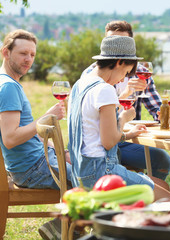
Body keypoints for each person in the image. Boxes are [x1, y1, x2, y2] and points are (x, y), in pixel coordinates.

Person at [68, 35, 170, 202]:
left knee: (162, 187)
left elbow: (95, 133)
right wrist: (124, 118)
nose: (123, 79)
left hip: (81, 173)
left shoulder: (80, 84)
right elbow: (109, 141)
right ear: (119, 62)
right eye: (126, 72)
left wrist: (128, 134)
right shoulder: (104, 89)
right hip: (102, 173)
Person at [0, 29, 73, 240]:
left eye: (32, 55)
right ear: (6, 52)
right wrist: (45, 118)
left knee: (80, 159)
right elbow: (10, 138)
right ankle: (63, 228)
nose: (28, 60)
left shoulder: (7, 83)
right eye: (23, 53)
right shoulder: (9, 88)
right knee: (89, 175)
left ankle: (66, 226)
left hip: (35, 161)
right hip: (32, 169)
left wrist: (53, 147)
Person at [81, 20, 170, 181]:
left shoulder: (140, 72)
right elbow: (105, 133)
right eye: (113, 42)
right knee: (163, 191)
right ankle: (136, 185)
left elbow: (157, 109)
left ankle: (137, 183)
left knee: (162, 159)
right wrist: (126, 96)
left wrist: (166, 114)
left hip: (125, 139)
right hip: (103, 151)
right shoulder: (93, 78)